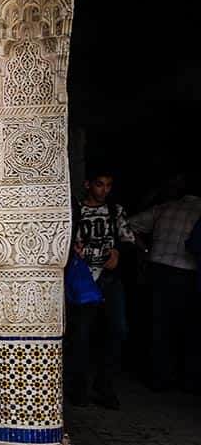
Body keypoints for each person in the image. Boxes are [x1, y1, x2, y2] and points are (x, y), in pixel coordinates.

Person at [65, 168, 136, 409]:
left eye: (107, 185)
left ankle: (104, 384)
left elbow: (128, 240)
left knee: (118, 330)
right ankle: (79, 387)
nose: (103, 190)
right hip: (84, 278)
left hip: (109, 278)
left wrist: (117, 252)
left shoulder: (114, 211)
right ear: (87, 184)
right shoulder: (76, 211)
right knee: (81, 335)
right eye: (99, 184)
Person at [128, 172, 201, 393]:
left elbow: (127, 224)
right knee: (187, 328)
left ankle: (157, 378)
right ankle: (188, 381)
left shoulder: (165, 208)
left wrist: (145, 249)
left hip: (158, 270)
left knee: (159, 325)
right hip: (188, 274)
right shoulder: (199, 211)